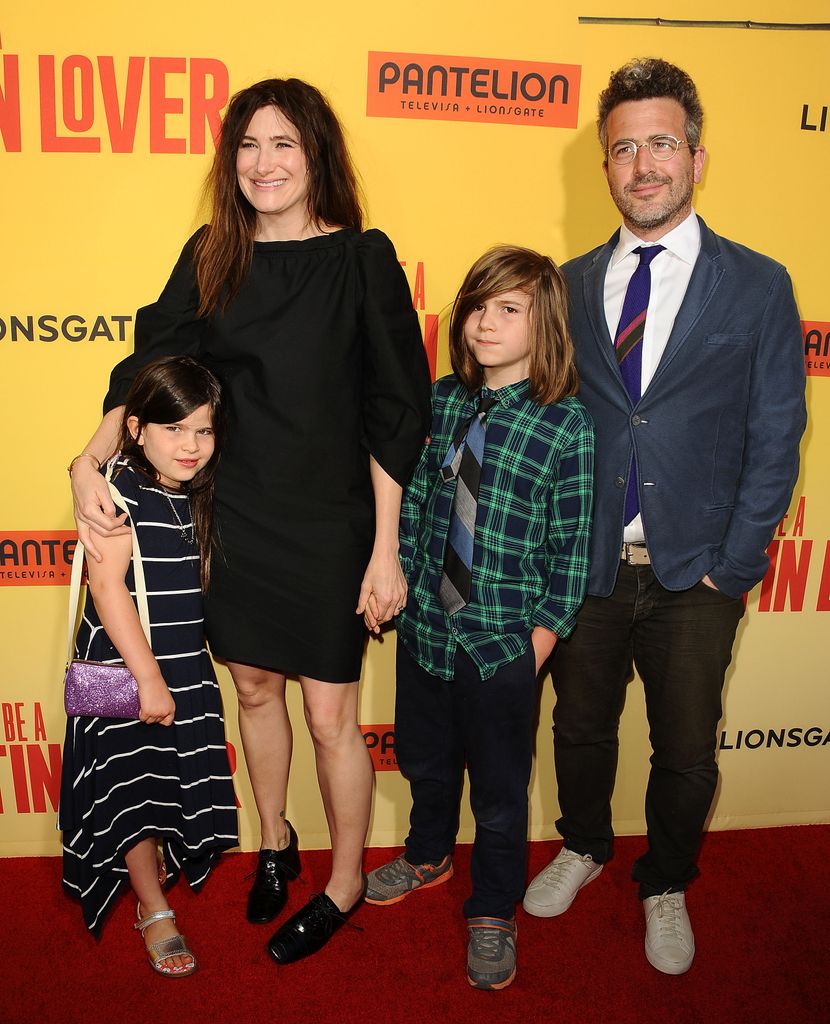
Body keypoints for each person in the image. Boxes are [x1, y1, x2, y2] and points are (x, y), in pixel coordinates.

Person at [68, 78, 432, 964]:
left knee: (330, 718)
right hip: (232, 517)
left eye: (284, 146)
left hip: (332, 523)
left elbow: (397, 408)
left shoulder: (361, 259)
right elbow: (151, 358)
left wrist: (385, 550)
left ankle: (343, 882)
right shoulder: (213, 254)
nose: (263, 164)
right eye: (247, 146)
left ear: (316, 158)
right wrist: (87, 457)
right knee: (256, 692)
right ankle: (275, 839)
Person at [523, 58, 807, 976]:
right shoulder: (564, 284)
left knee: (686, 749)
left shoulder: (759, 286)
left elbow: (777, 434)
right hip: (589, 569)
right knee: (578, 729)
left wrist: (736, 562)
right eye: (623, 149)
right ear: (603, 167)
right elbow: (544, 424)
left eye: (660, 144)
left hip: (699, 573)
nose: (642, 164)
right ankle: (583, 844)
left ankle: (666, 879)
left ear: (696, 157)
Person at [364, 246, 595, 990]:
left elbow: (569, 554)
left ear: (545, 322)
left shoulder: (567, 426)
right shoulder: (442, 401)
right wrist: (393, 568)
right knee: (426, 763)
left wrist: (538, 644)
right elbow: (419, 508)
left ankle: (493, 907)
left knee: (499, 792)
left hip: (503, 647)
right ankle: (428, 851)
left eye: (509, 309)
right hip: (428, 631)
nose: (484, 322)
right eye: (477, 305)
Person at [60, 356, 238, 976]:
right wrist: (150, 681)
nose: (192, 446)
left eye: (205, 430)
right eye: (175, 429)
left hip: (182, 665)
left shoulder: (189, 491)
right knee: (133, 789)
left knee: (167, 783)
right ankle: (152, 905)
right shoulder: (115, 494)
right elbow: (109, 593)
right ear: (139, 430)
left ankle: (153, 872)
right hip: (122, 670)